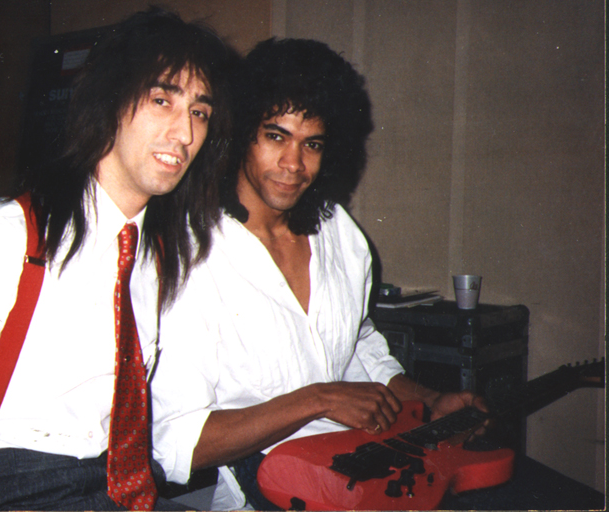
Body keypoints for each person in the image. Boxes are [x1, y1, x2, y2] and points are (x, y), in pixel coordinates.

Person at [0, 8, 235, 511]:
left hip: (113, 486)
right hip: (8, 485)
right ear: (110, 102)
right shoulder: (3, 236)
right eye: (162, 100)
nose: (184, 133)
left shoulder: (158, 258)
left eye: (199, 113)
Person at [151, 38, 486, 510]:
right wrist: (317, 400)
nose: (293, 164)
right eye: (275, 136)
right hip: (263, 491)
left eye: (312, 144)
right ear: (240, 133)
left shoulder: (338, 232)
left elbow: (356, 345)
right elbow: (179, 444)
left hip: (361, 472)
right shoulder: (190, 257)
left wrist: (429, 400)